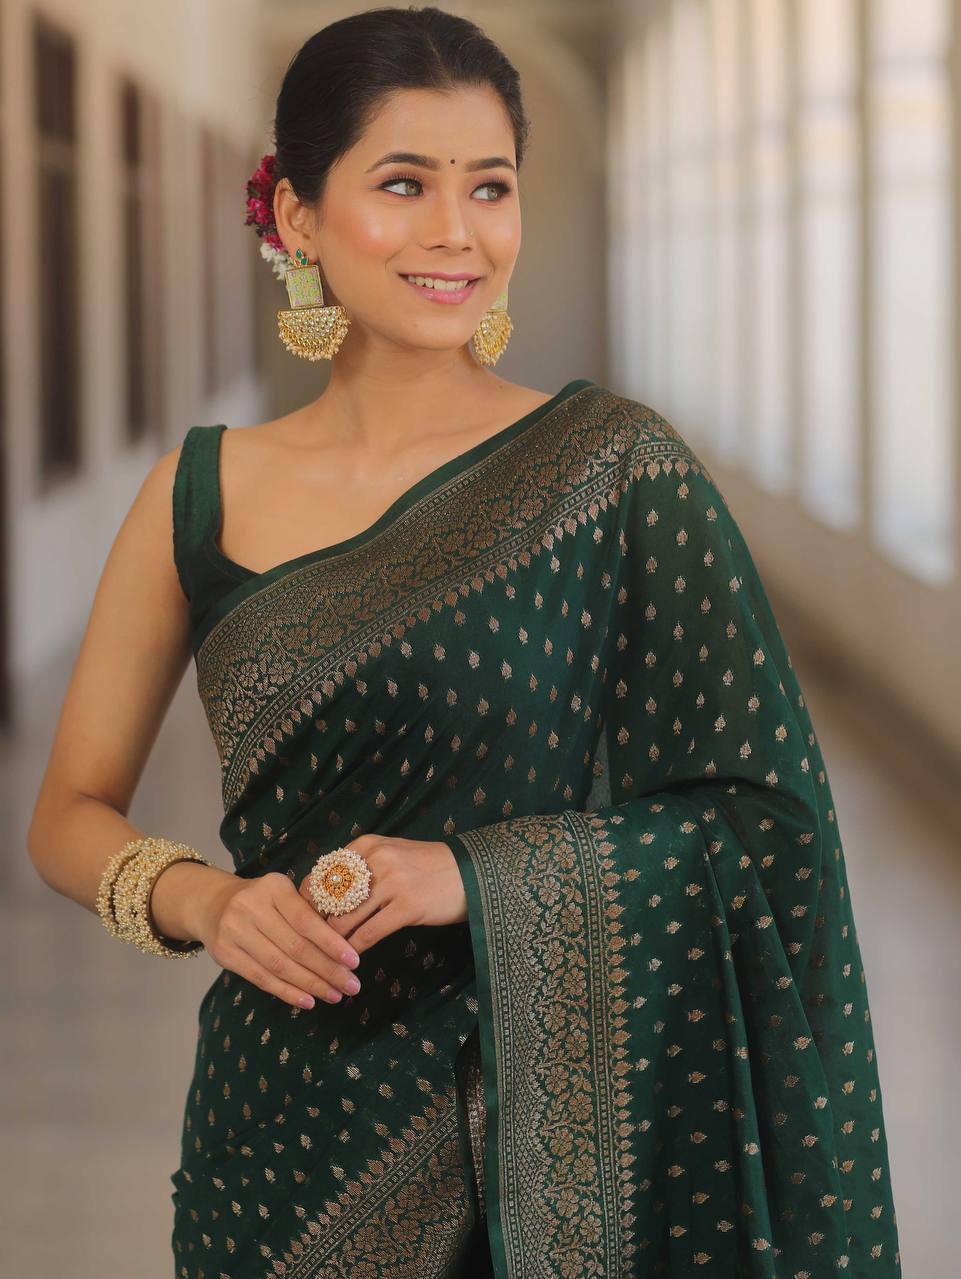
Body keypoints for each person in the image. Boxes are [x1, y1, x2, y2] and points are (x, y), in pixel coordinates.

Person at [27, 6, 902, 1276]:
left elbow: (768, 824)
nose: (457, 231)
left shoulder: (614, 473)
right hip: (281, 1145)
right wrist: (204, 900)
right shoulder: (194, 492)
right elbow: (67, 812)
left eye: (489, 186)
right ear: (298, 219)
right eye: (404, 184)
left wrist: (475, 876)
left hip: (555, 1146)